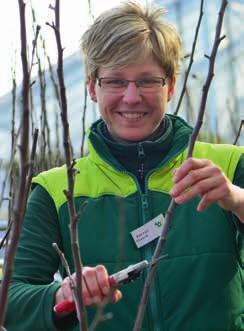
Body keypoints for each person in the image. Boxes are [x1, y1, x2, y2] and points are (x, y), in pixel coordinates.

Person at [5, 1, 244, 331]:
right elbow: (11, 299)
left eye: (147, 81)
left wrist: (238, 201)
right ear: (92, 87)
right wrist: (61, 295)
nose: (131, 97)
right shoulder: (57, 191)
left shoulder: (228, 167)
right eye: (115, 81)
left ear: (170, 85)